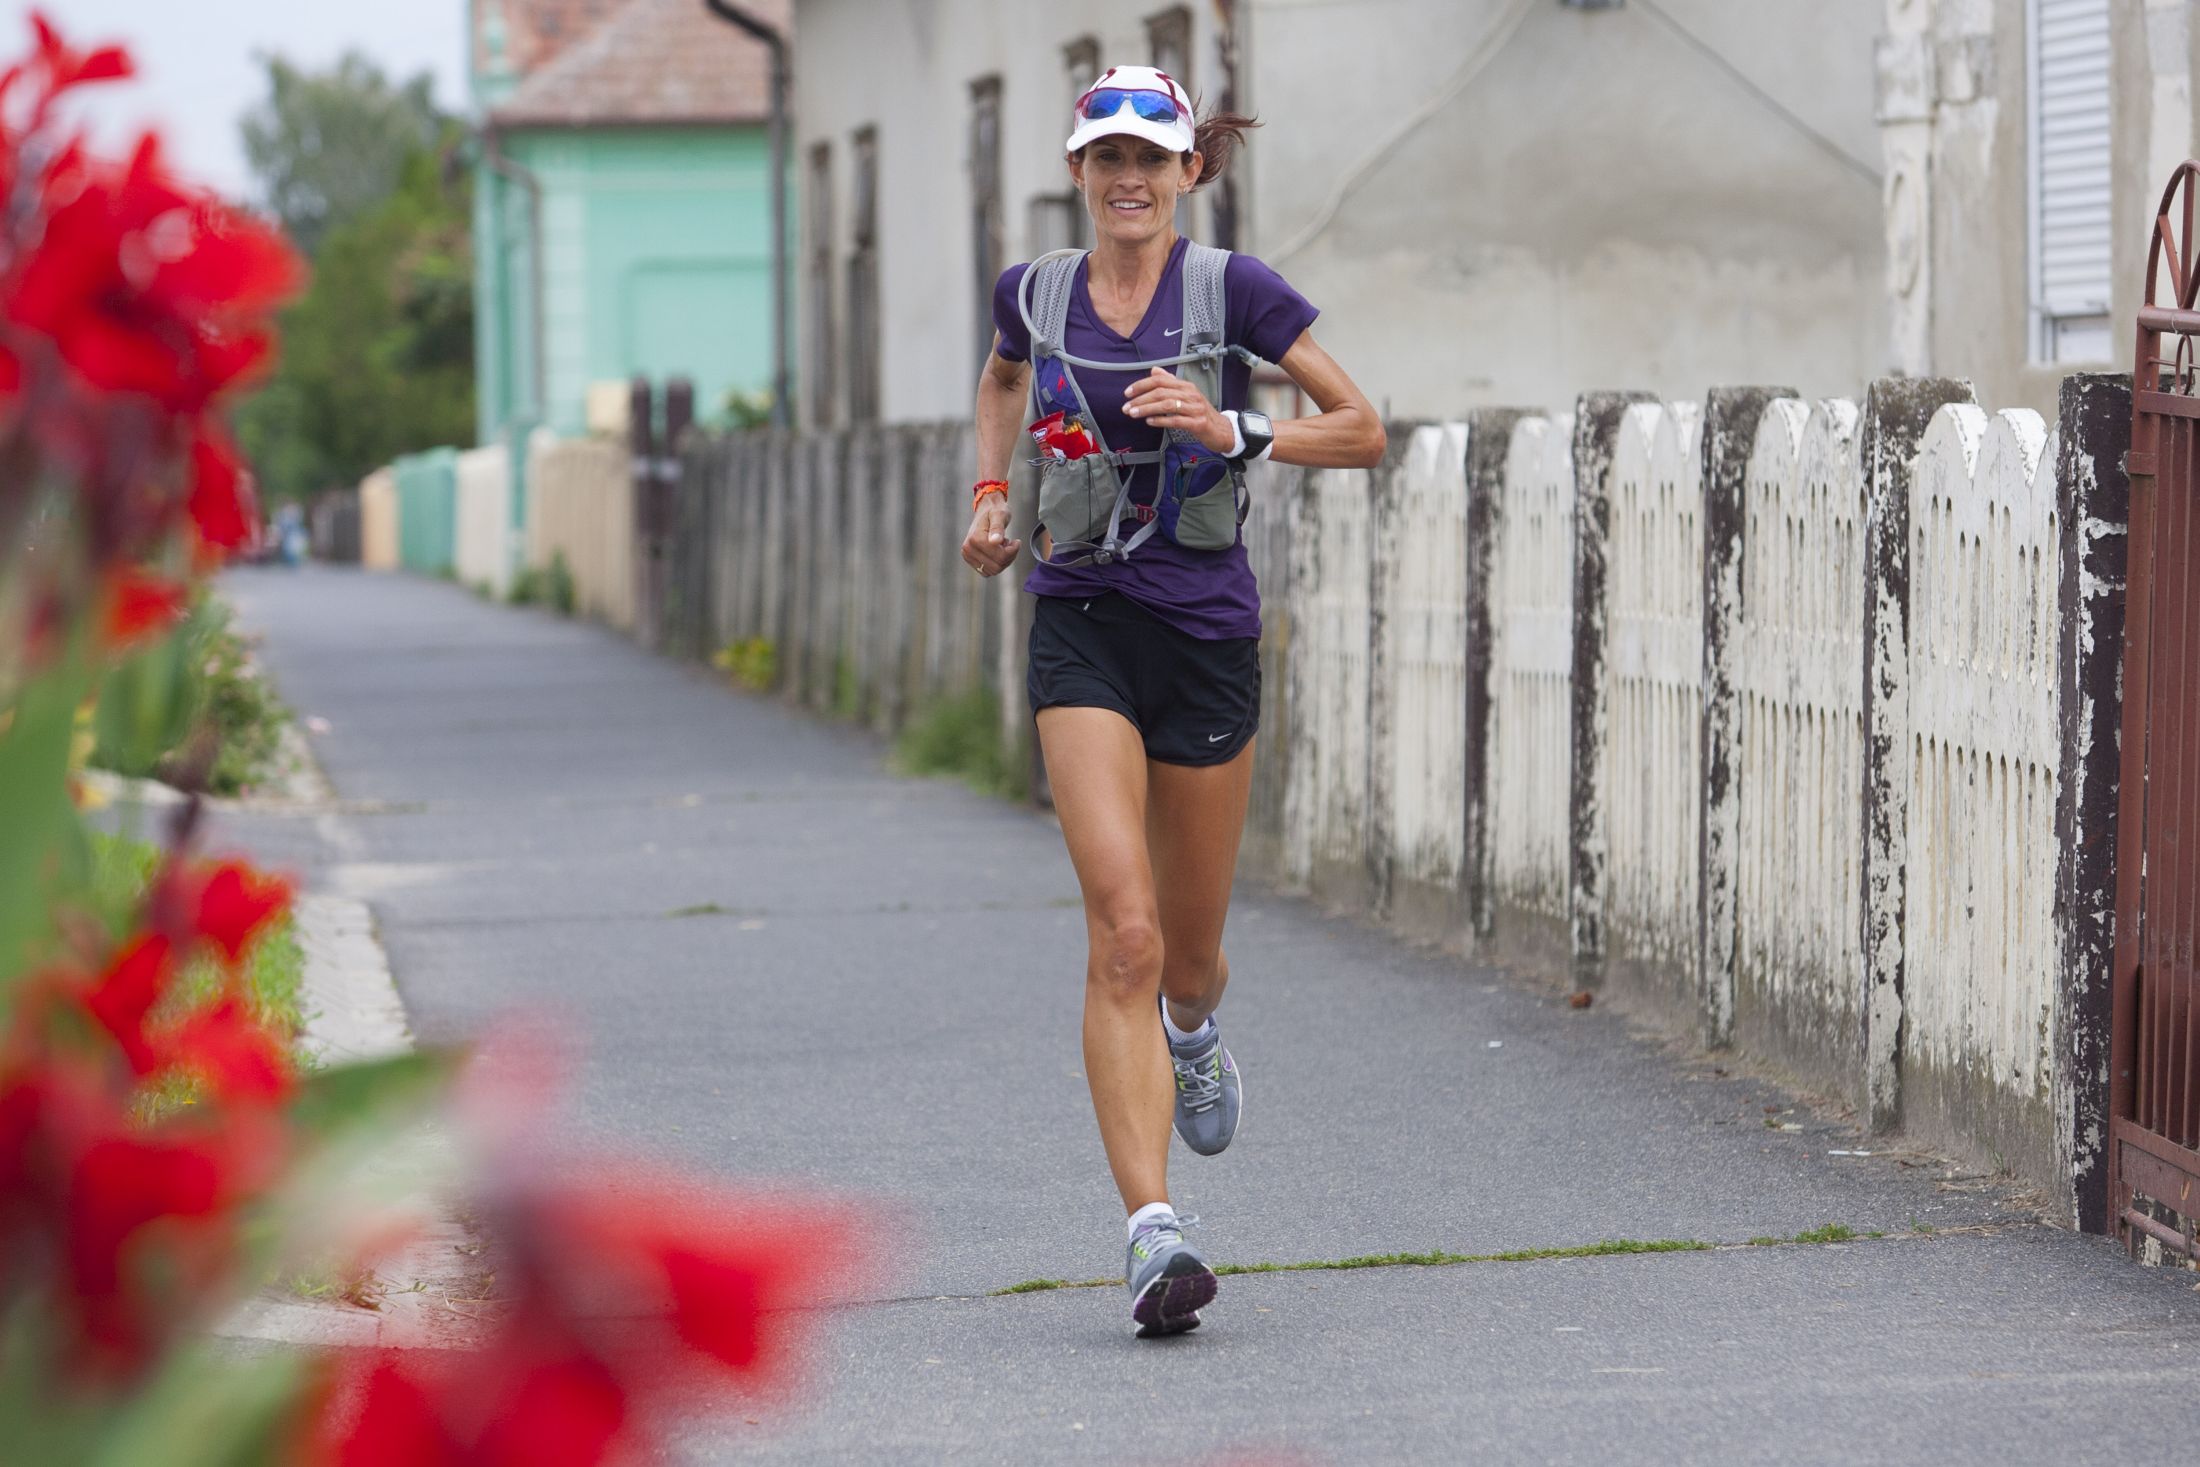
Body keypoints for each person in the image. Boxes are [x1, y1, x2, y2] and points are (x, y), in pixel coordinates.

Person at [963, 65, 1385, 1338]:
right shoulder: (1033, 291)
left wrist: (1231, 431)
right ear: (1078, 171)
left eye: (1152, 157)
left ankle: (1193, 1036)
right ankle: (1153, 1233)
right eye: (1107, 157)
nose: (1129, 177)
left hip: (1203, 637)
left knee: (1187, 964)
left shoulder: (1234, 292)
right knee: (1124, 937)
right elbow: (1001, 382)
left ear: (1189, 171)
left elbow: (1360, 428)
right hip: (1081, 624)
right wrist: (992, 494)